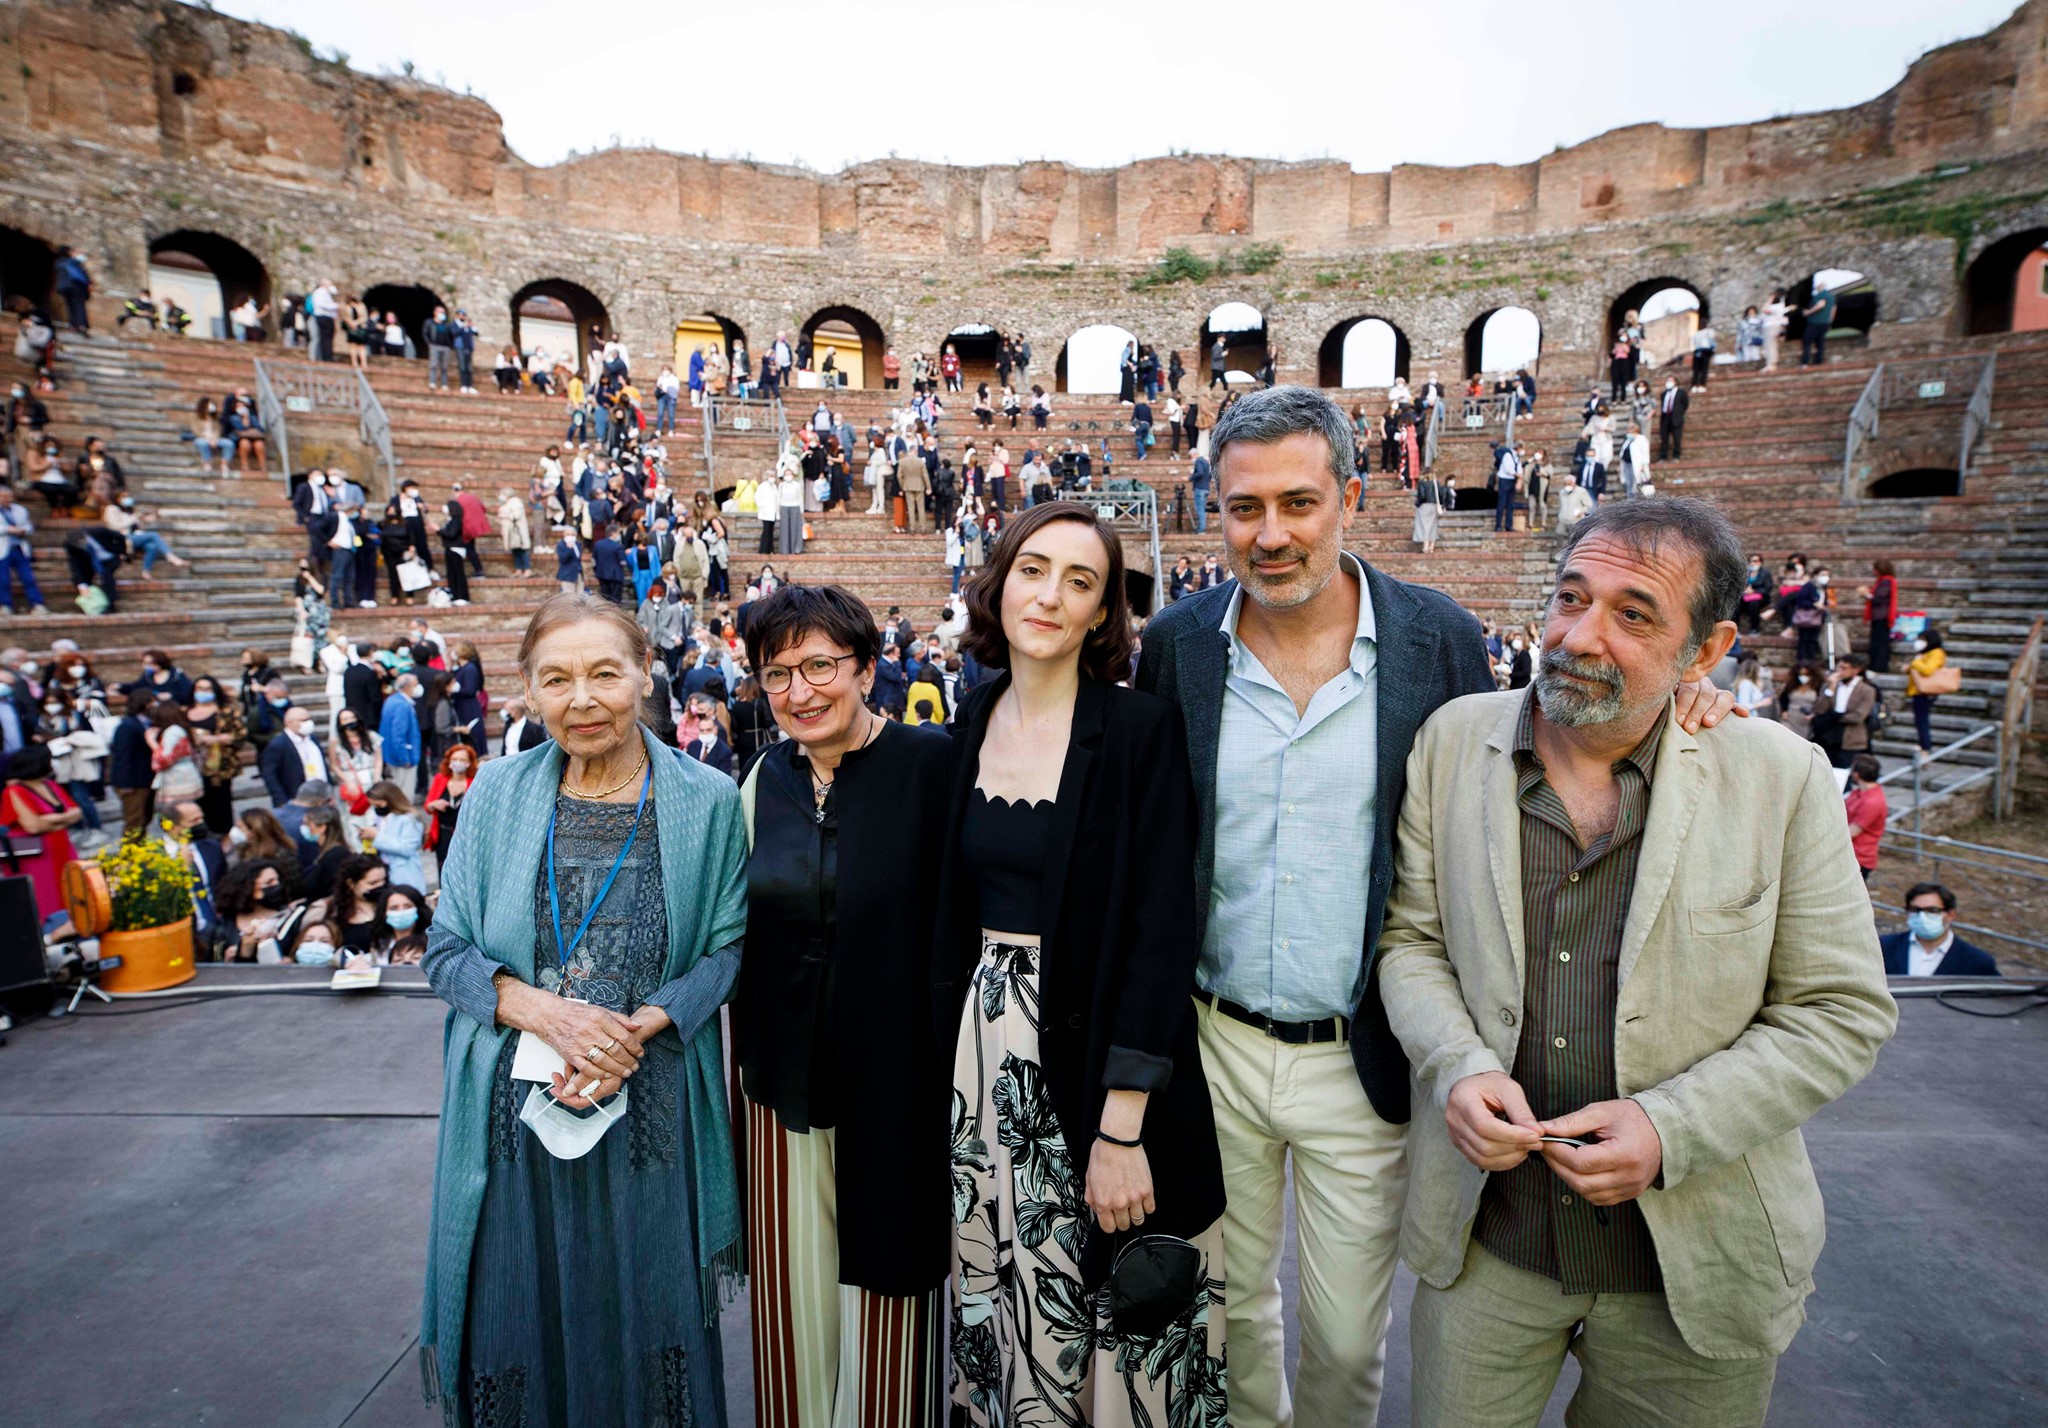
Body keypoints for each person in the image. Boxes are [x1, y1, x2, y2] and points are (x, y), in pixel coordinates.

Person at [1133, 387, 1741, 1427]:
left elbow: (1552, 723)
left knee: (1342, 1337)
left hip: (1360, 1050)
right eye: (1243, 508)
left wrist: (1684, 688)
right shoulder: (1180, 643)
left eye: (1298, 503)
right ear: (1214, 512)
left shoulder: (1437, 637)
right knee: (1226, 1317)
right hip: (1213, 1042)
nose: (1270, 534)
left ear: (1351, 499)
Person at [1378, 496, 1897, 1428]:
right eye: (1571, 598)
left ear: (1706, 651)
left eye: (1634, 615)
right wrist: (1457, 1067)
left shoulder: (1776, 777)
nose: (1580, 636)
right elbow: (1411, 942)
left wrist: (1669, 1129)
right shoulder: (1451, 743)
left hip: (1695, 1265)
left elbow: (1840, 1011)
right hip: (1490, 1240)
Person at [418, 592, 746, 1428]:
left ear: (645, 674)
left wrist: (646, 1024)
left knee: (648, 1316)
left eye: (605, 673)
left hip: (651, 1114)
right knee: (516, 1308)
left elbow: (730, 948)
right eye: (557, 679)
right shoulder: (495, 793)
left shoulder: (708, 800)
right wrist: (539, 1011)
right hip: (514, 1121)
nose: (582, 700)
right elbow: (445, 950)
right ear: (529, 690)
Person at [937, 502, 1226, 1426]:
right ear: (1000, 582)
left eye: (1079, 581)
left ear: (1103, 612)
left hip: (1096, 1055)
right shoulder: (971, 716)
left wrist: (1122, 1129)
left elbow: (1160, 931)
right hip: (985, 1064)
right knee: (1006, 1301)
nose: (1050, 595)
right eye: (1033, 570)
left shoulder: (1137, 731)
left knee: (1114, 1313)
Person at [731, 585, 954, 1426]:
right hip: (780, 1084)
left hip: (899, 1086)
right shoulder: (764, 780)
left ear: (866, 668)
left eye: (820, 666)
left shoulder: (932, 767)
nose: (800, 691)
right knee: (793, 1304)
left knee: (891, 1299)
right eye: (778, 673)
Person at [2, 744, 82, 919]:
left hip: (62, 848)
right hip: (37, 856)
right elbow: (33, 826)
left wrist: (50, 819)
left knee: (71, 892)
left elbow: (77, 813)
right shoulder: (13, 791)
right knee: (47, 899)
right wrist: (63, 819)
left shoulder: (49, 785)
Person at [1881, 883, 2000, 976]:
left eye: (1932, 911)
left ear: (1950, 915)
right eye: (1915, 910)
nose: (1922, 917)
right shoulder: (1883, 948)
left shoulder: (1977, 961)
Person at [262, 703, 329, 807]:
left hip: (321, 796)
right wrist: (281, 801)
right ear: (289, 723)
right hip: (296, 798)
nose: (308, 723)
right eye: (303, 720)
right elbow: (270, 775)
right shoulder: (278, 744)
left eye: (309, 719)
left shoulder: (312, 739)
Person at [1815, 653, 1875, 769]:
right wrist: (1830, 689)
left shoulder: (1867, 690)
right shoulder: (1830, 685)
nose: (1839, 671)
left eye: (1844, 668)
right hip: (1829, 737)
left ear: (1856, 670)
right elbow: (1819, 709)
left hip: (1851, 740)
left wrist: (1833, 717)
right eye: (1839, 667)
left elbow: (1858, 716)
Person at [424, 743, 477, 868]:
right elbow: (428, 807)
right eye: (454, 759)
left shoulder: (474, 782)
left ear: (469, 763)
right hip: (443, 834)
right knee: (443, 867)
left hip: (465, 835)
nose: (458, 763)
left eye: (462, 760)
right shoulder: (440, 779)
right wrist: (434, 804)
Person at [367, 780, 427, 889]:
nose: (376, 809)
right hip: (385, 871)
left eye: (378, 805)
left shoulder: (408, 819)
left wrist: (377, 837)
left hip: (404, 873)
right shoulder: (381, 818)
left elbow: (407, 848)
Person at [1906, 627, 1950, 762]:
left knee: (1922, 721)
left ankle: (1926, 749)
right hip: (1917, 691)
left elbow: (1927, 670)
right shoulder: (1925, 653)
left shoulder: (1936, 653)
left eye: (1922, 640)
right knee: (1920, 721)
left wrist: (1915, 663)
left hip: (1925, 692)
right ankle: (1924, 748)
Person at [1844, 754, 1887, 882]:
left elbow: (1852, 832)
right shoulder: (1859, 793)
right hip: (1851, 854)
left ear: (1857, 775)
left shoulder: (1872, 802)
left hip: (1859, 858)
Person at [1802, 281, 1837, 366]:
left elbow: (1821, 305)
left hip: (1815, 322)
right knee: (1820, 342)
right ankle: (1818, 361)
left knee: (1807, 342)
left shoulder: (1821, 295)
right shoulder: (1831, 296)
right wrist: (1830, 321)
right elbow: (1833, 309)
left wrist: (1808, 312)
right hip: (1825, 322)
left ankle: (1805, 362)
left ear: (1819, 286)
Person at [1657, 375, 1689, 461]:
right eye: (1667, 381)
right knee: (1664, 438)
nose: (1669, 382)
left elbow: (1685, 404)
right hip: (1665, 417)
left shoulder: (1681, 392)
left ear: (1675, 382)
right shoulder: (1664, 393)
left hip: (1676, 417)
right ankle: (1663, 456)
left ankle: (1676, 455)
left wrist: (1679, 413)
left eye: (1671, 381)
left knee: (1676, 438)